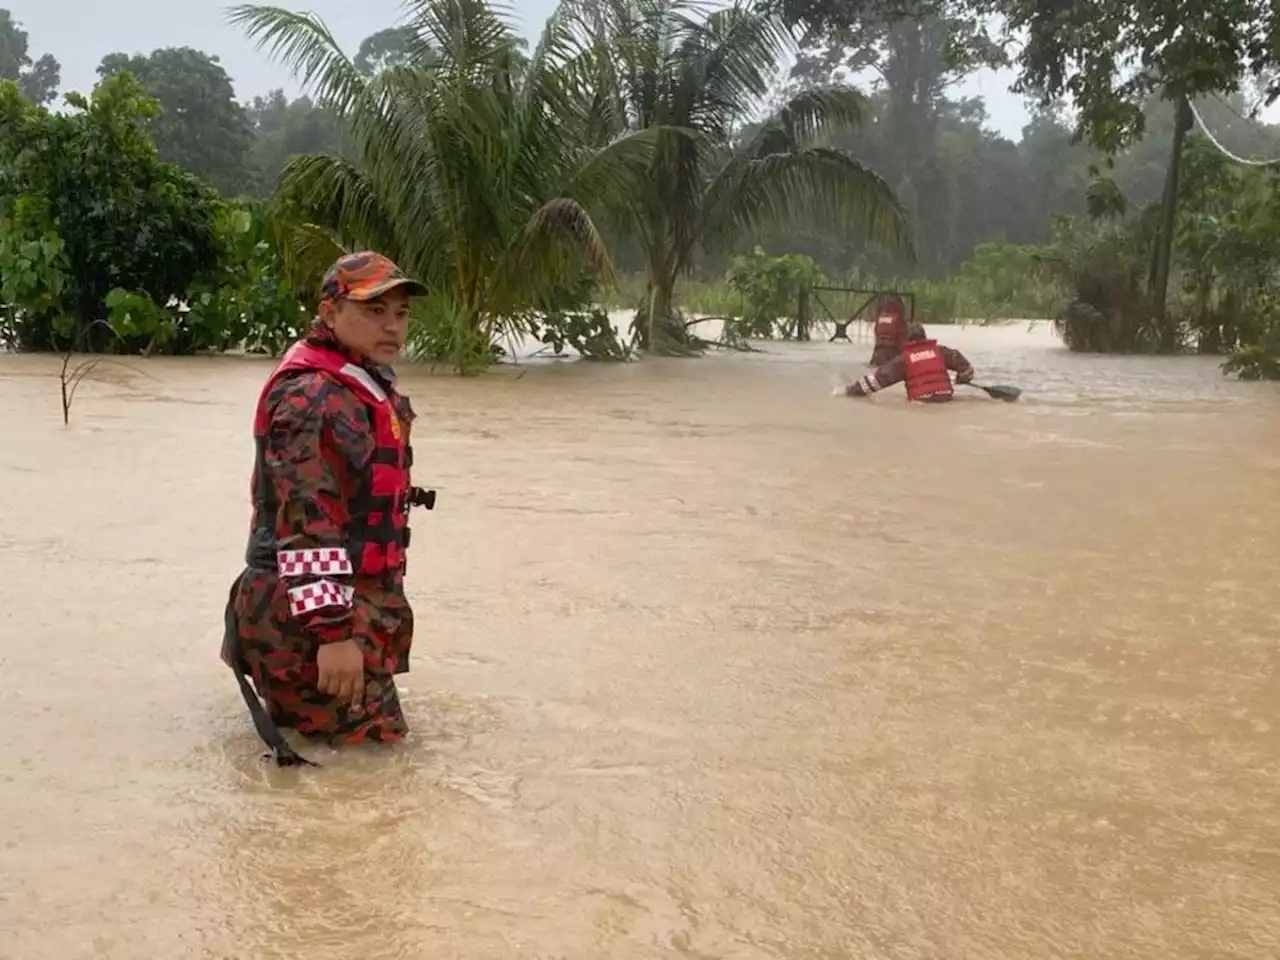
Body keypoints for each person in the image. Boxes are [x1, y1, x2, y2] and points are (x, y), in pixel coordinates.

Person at [221, 251, 435, 766]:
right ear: (330, 311)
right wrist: (333, 635)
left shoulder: (357, 380)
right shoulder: (316, 397)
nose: (392, 327)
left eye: (400, 313)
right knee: (372, 776)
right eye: (373, 311)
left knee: (357, 768)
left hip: (329, 610)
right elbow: (307, 521)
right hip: (307, 619)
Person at [837, 322, 975, 403]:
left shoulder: (903, 359)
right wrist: (961, 378)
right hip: (946, 399)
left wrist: (850, 391)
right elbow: (967, 369)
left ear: (906, 339)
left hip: (921, 402)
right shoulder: (941, 352)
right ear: (925, 337)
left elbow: (877, 380)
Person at [868, 294, 908, 366]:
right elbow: (902, 343)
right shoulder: (899, 320)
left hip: (878, 357)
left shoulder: (880, 318)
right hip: (893, 356)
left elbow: (877, 341)